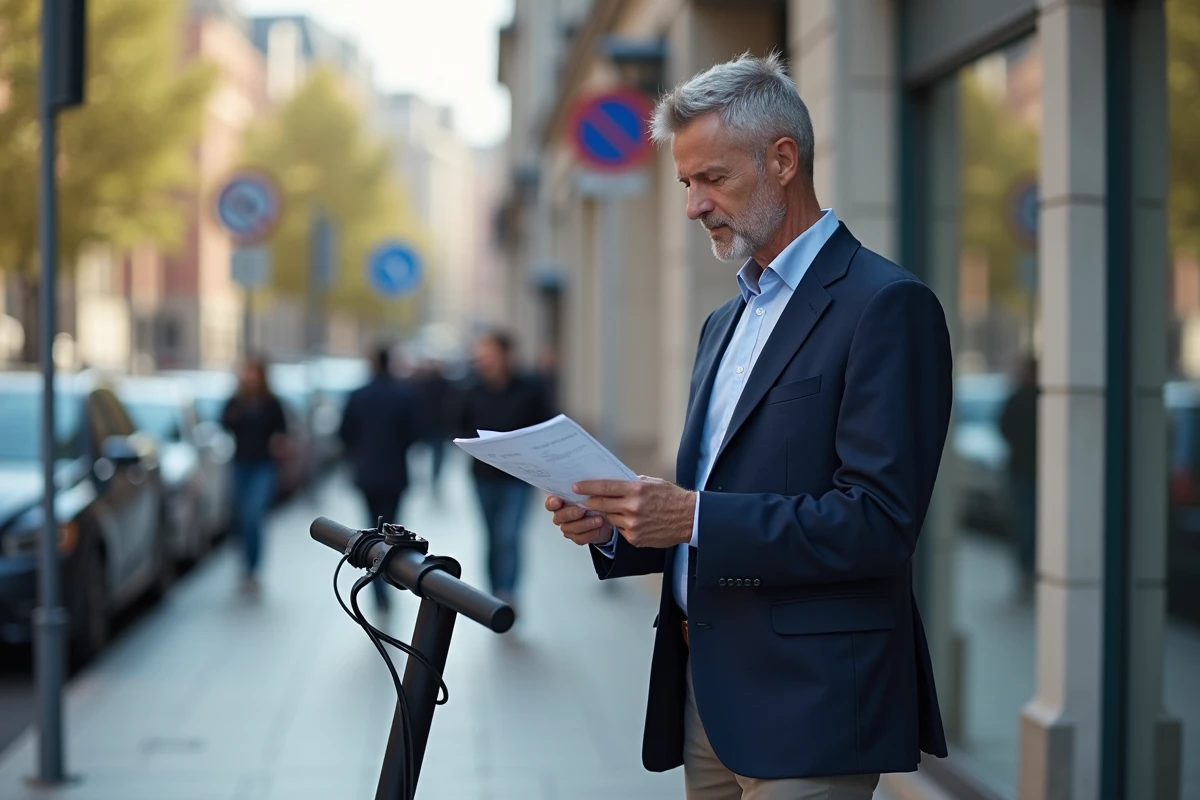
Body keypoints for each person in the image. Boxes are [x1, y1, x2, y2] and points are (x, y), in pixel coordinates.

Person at [544, 53, 952, 798]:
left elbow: (879, 523)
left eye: (712, 179)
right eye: (685, 183)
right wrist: (617, 525)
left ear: (783, 160)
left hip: (812, 709)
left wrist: (693, 515)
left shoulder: (887, 306)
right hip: (706, 694)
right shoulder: (721, 323)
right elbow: (715, 505)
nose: (694, 204)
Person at [458, 331, 554, 609]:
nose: (485, 360)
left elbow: (544, 425)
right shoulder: (471, 389)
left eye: (490, 353)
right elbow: (458, 425)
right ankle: (494, 593)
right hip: (483, 476)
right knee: (491, 537)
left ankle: (508, 595)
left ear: (506, 355)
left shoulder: (530, 388)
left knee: (509, 535)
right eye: (481, 354)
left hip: (519, 476)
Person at [339, 344, 421, 613]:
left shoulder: (358, 395)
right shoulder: (403, 395)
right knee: (392, 531)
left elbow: (344, 433)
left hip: (366, 473)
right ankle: (387, 579)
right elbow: (414, 434)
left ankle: (378, 588)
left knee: (372, 530)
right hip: (395, 472)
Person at [221, 357, 288, 595]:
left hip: (263, 466)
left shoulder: (271, 404)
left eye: (253, 372)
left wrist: (277, 444)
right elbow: (223, 424)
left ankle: (254, 568)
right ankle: (245, 566)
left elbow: (282, 432)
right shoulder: (235, 402)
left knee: (253, 514)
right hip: (240, 464)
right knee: (240, 517)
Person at [999, 354, 1039, 600]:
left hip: (1028, 473)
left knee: (1029, 525)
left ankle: (1030, 573)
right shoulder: (1019, 398)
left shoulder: (1037, 397)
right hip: (1023, 473)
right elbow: (1003, 427)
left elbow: (1003, 427)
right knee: (1026, 525)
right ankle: (1027, 573)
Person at [413, 359, 452, 502]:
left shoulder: (423, 385)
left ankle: (432, 480)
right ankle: (431, 480)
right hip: (434, 427)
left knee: (433, 456)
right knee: (434, 457)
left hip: (435, 427)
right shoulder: (424, 384)